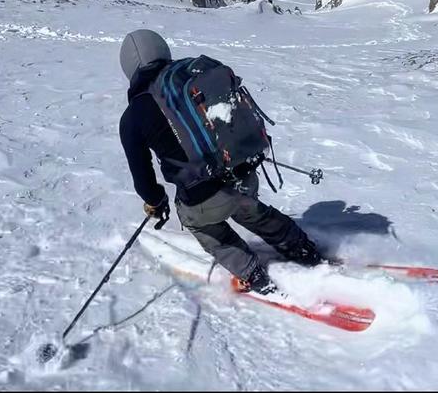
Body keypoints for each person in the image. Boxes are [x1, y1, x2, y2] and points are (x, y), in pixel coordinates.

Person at [118, 29, 323, 294]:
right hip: (245, 173)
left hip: (203, 198)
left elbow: (143, 180)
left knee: (197, 221)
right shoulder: (192, 76)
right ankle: (301, 247)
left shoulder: (133, 116)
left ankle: (253, 273)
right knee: (250, 209)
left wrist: (156, 202)